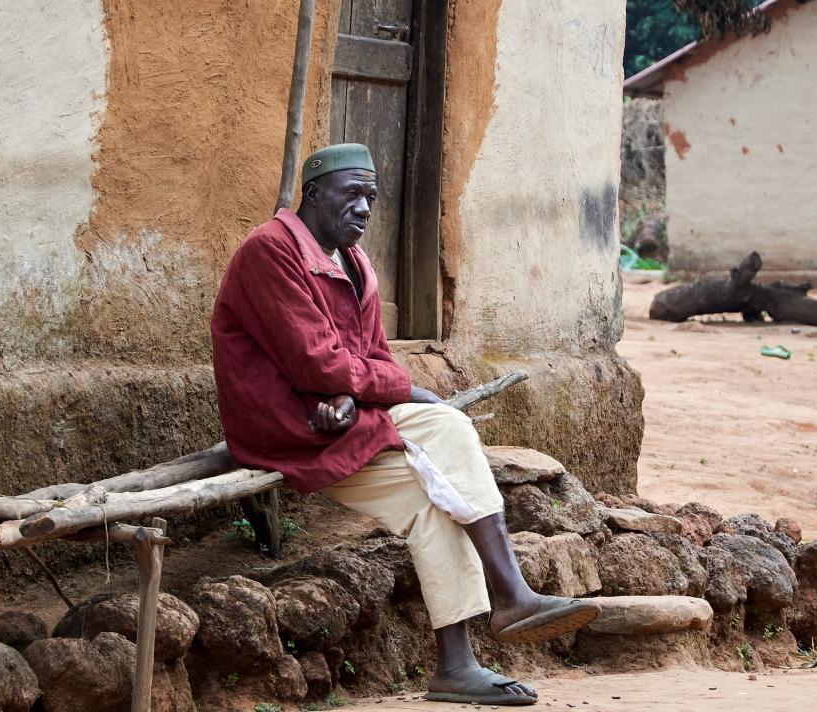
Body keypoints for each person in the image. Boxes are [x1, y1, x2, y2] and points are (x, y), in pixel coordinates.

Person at [211, 143, 600, 706]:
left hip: (340, 423)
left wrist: (350, 395)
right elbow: (315, 364)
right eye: (352, 194)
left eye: (371, 197)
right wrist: (408, 392)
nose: (365, 209)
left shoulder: (354, 263)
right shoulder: (270, 252)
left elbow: (370, 358)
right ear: (314, 194)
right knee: (443, 423)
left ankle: (456, 666)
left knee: (432, 506)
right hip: (284, 428)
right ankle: (512, 591)